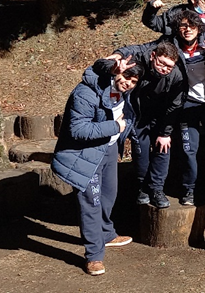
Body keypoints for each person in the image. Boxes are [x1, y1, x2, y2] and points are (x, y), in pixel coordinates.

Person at [52, 63, 144, 275]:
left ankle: (106, 234)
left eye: (133, 81)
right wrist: (116, 127)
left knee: (108, 195)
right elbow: (78, 129)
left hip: (109, 148)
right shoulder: (85, 93)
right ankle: (93, 256)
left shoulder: (123, 91)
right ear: (115, 71)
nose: (128, 83)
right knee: (90, 203)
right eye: (126, 76)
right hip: (85, 154)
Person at [93, 41, 184, 208]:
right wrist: (117, 59)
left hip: (162, 116)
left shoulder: (176, 76)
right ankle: (143, 187)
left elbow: (175, 105)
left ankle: (156, 188)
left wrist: (165, 132)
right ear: (153, 56)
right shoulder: (139, 59)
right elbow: (117, 56)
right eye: (161, 63)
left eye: (169, 66)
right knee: (140, 150)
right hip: (138, 114)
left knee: (162, 149)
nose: (164, 69)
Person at [167, 9, 205, 206]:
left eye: (191, 26)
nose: (187, 30)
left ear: (199, 28)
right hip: (187, 105)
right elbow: (146, 49)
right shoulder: (173, 47)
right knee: (188, 149)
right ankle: (189, 190)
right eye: (183, 26)